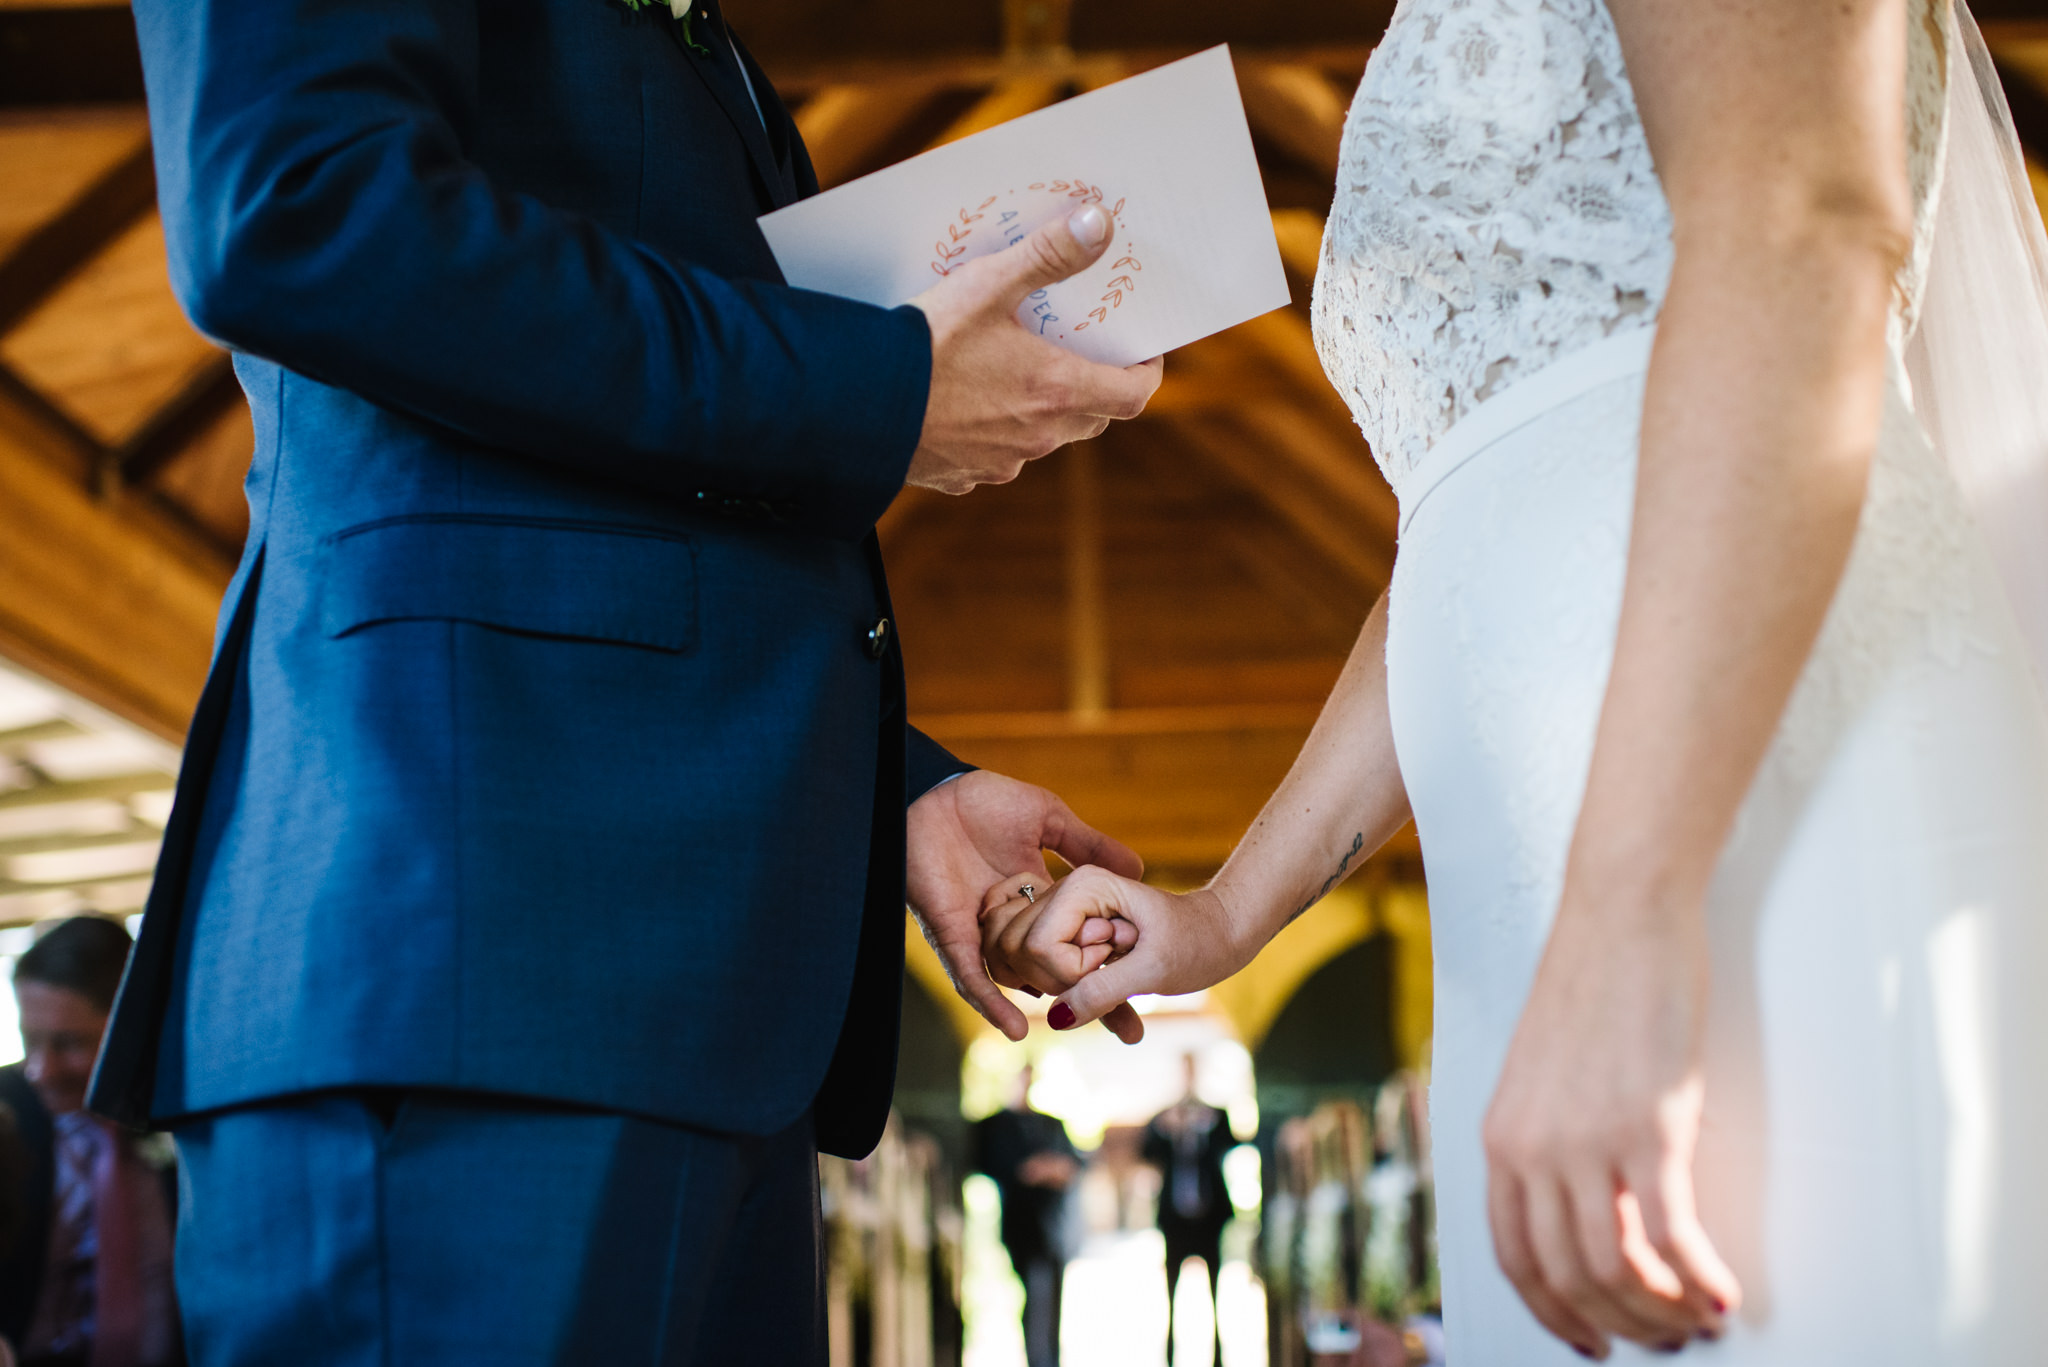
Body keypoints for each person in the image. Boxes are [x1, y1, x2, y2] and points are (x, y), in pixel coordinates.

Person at [87, 2, 1158, 1363]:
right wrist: (870, 386)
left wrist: (903, 791)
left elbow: (629, 492)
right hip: (470, 966)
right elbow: (292, 202)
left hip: (700, 1005)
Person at [980, 0, 2048, 1362]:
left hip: (1751, 796)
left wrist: (1625, 920)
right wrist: (1221, 916)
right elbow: (1462, 528)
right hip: (1549, 898)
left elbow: (1802, 230)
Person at [2, 918, 178, 1367]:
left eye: (70, 1043)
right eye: (29, 1040)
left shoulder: (180, 1113)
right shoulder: (5, 1117)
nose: (42, 1070)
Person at [972, 1066, 1079, 1367]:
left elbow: (1072, 1164)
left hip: (1055, 1226)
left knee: (1050, 1303)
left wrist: (1052, 1170)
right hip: (1022, 1226)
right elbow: (995, 1165)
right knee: (1035, 1300)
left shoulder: (1051, 1125)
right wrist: (1033, 1171)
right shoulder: (995, 1126)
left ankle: (1048, 1360)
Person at [1140, 1054, 1233, 1367]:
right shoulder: (1166, 1116)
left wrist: (1205, 1126)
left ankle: (1219, 1355)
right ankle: (1169, 1355)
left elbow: (1230, 1144)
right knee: (1171, 1290)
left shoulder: (1215, 1114)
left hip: (1210, 1216)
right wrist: (1167, 1129)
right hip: (1175, 1217)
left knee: (1216, 1290)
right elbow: (1147, 1153)